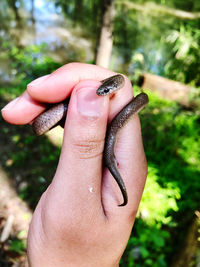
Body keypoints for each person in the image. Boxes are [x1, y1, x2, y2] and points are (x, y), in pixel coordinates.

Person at [1, 63, 147, 266]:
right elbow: (38, 126)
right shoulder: (108, 87)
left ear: (113, 88)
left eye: (105, 91)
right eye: (102, 89)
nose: (101, 93)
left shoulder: (118, 85)